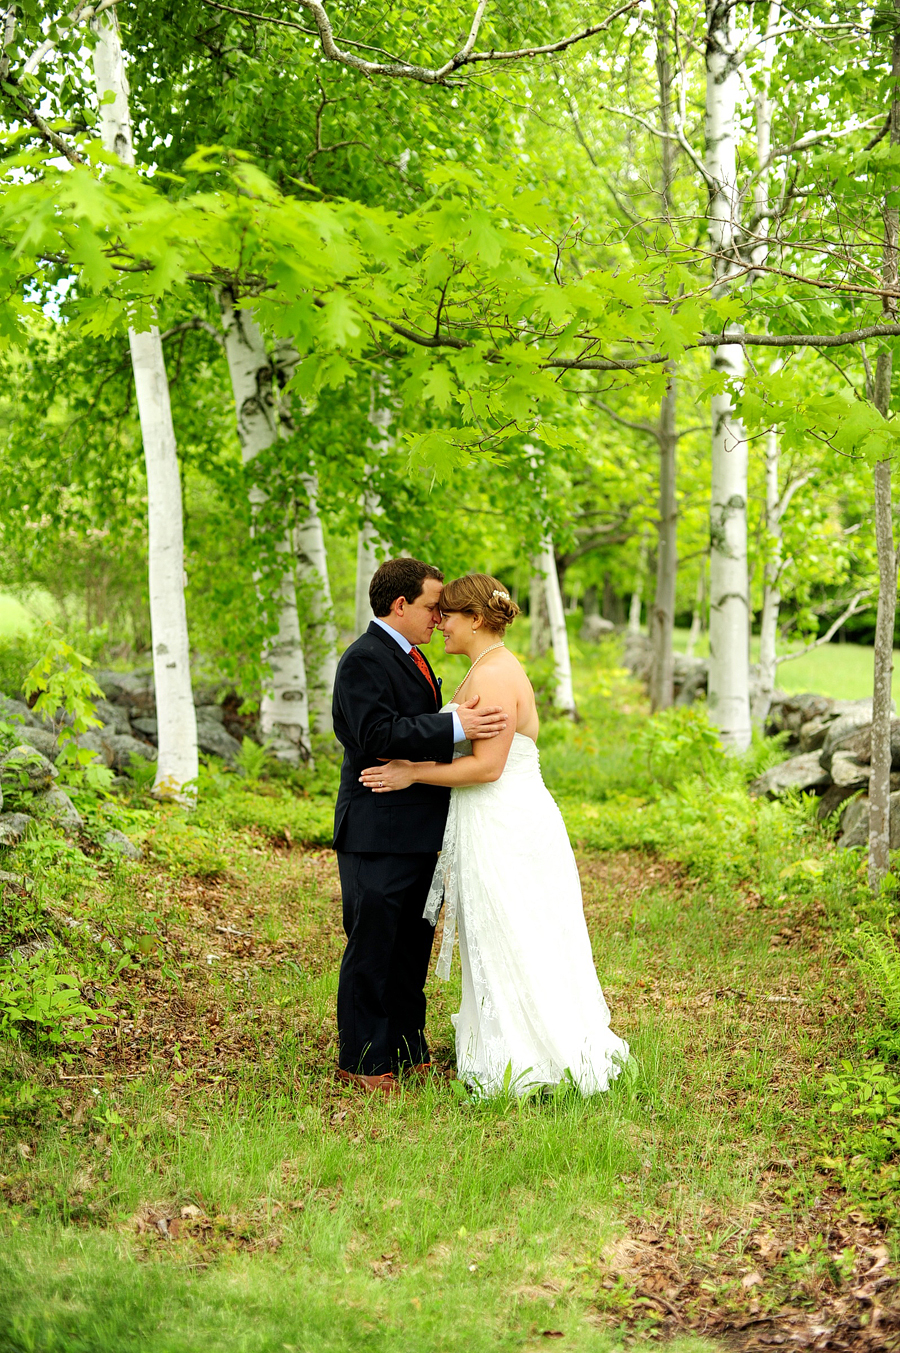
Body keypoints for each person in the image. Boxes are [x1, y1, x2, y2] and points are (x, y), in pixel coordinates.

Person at [360, 572, 629, 1096]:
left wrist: (411, 773)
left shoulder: (496, 674)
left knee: (517, 931)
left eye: (449, 615)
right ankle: (503, 1044)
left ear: (476, 620)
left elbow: (487, 768)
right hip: (488, 821)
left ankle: (531, 1056)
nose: (439, 623)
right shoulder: (479, 669)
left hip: (509, 823)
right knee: (494, 934)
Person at [331, 558, 509, 1096]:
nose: (439, 617)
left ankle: (407, 1050)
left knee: (412, 944)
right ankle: (363, 1060)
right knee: (374, 945)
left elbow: (419, 733)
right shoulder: (364, 659)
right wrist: (454, 723)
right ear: (400, 604)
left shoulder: (413, 658)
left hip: (416, 827)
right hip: (376, 828)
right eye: (433, 606)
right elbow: (376, 733)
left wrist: (455, 735)